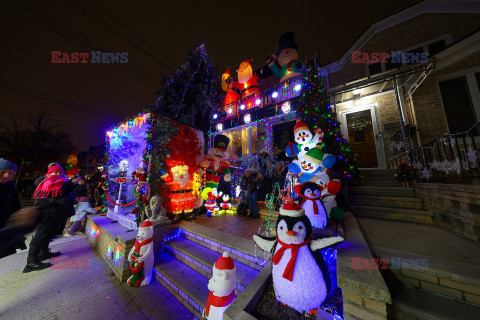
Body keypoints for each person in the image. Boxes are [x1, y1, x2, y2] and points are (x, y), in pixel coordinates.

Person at [24, 164, 79, 273]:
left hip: (54, 213)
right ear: (49, 173)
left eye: (60, 172)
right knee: (40, 236)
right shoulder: (48, 183)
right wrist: (71, 185)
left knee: (48, 234)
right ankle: (31, 262)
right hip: (46, 213)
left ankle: (43, 253)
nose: (58, 174)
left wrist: (71, 184)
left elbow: (63, 191)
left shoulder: (59, 181)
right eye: (55, 172)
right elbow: (59, 195)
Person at [0, 158, 22, 258]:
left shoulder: (10, 187)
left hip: (7, 229)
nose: (7, 175)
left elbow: (15, 207)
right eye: (3, 172)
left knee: (7, 256)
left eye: (11, 173)